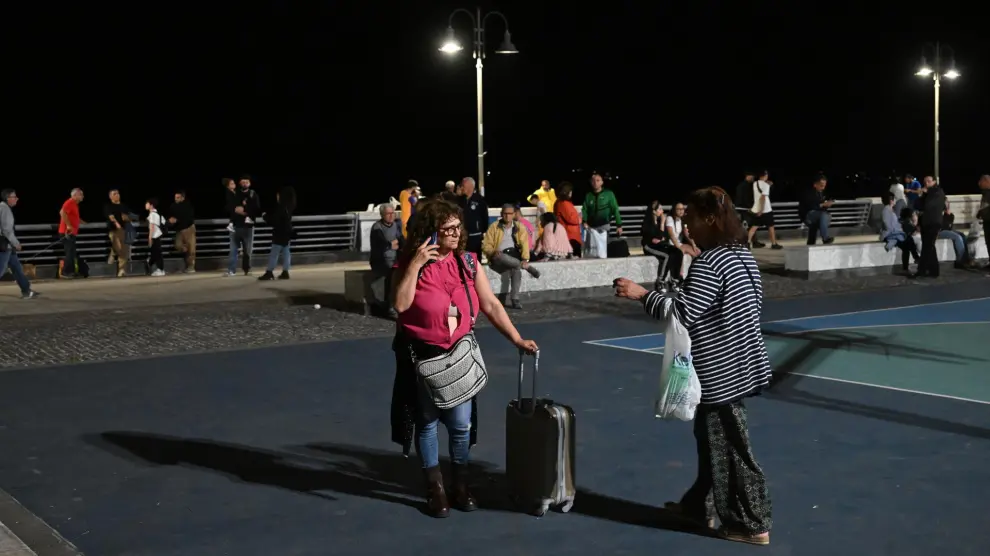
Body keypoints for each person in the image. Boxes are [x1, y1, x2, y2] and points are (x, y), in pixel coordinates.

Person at [613, 186, 773, 546]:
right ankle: (696, 506)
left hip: (720, 372)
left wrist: (641, 294)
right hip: (744, 363)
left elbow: (682, 312)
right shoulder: (742, 256)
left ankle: (751, 523)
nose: (687, 229)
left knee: (731, 447)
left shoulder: (710, 262)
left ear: (711, 220)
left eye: (692, 221)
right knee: (711, 440)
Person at [389, 198, 538, 518]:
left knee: (460, 424)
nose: (456, 234)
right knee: (426, 423)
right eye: (448, 229)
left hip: (460, 353)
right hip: (424, 355)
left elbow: (491, 305)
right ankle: (435, 489)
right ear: (431, 232)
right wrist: (415, 264)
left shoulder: (468, 262)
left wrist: (516, 338)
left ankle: (460, 485)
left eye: (458, 228)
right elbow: (400, 306)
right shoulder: (408, 264)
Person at [0, 189, 40, 299]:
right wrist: (16, 243)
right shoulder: (4, 209)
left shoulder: (4, 208)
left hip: (8, 245)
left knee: (17, 268)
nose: (17, 198)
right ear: (8, 198)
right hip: (4, 245)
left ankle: (26, 290)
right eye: (14, 196)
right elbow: (6, 230)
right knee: (1, 269)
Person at [259, 186, 296, 280]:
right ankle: (285, 272)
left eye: (278, 195)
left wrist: (265, 216)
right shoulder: (289, 206)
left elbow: (274, 220)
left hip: (279, 233)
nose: (277, 197)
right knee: (286, 252)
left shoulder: (281, 207)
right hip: (287, 233)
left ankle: (269, 272)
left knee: (274, 253)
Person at [880, 192, 919, 274]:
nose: (895, 201)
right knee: (908, 241)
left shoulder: (889, 209)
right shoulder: (886, 210)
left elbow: (894, 223)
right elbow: (888, 226)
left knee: (908, 243)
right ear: (891, 200)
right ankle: (916, 259)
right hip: (891, 235)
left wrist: (899, 228)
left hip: (895, 233)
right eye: (894, 199)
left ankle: (910, 263)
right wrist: (898, 231)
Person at [914, 175, 945, 278]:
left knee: (928, 247)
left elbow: (929, 205)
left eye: (929, 181)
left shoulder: (938, 192)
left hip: (933, 223)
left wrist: (925, 194)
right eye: (925, 181)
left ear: (934, 182)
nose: (926, 183)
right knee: (929, 247)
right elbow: (918, 205)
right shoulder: (926, 194)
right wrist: (921, 196)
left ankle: (922, 270)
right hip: (925, 223)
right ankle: (933, 271)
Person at [553, 182, 583, 256]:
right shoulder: (564, 203)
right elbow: (572, 219)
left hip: (567, 234)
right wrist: (580, 218)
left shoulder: (558, 202)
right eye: (570, 190)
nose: (571, 192)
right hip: (571, 236)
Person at [145, 198, 166, 276]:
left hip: (155, 236)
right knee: (155, 252)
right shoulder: (157, 213)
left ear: (151, 205)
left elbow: (152, 227)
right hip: (158, 235)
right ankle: (150, 262)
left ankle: (160, 270)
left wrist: (150, 238)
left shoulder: (152, 214)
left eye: (147, 204)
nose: (145, 205)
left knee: (157, 254)